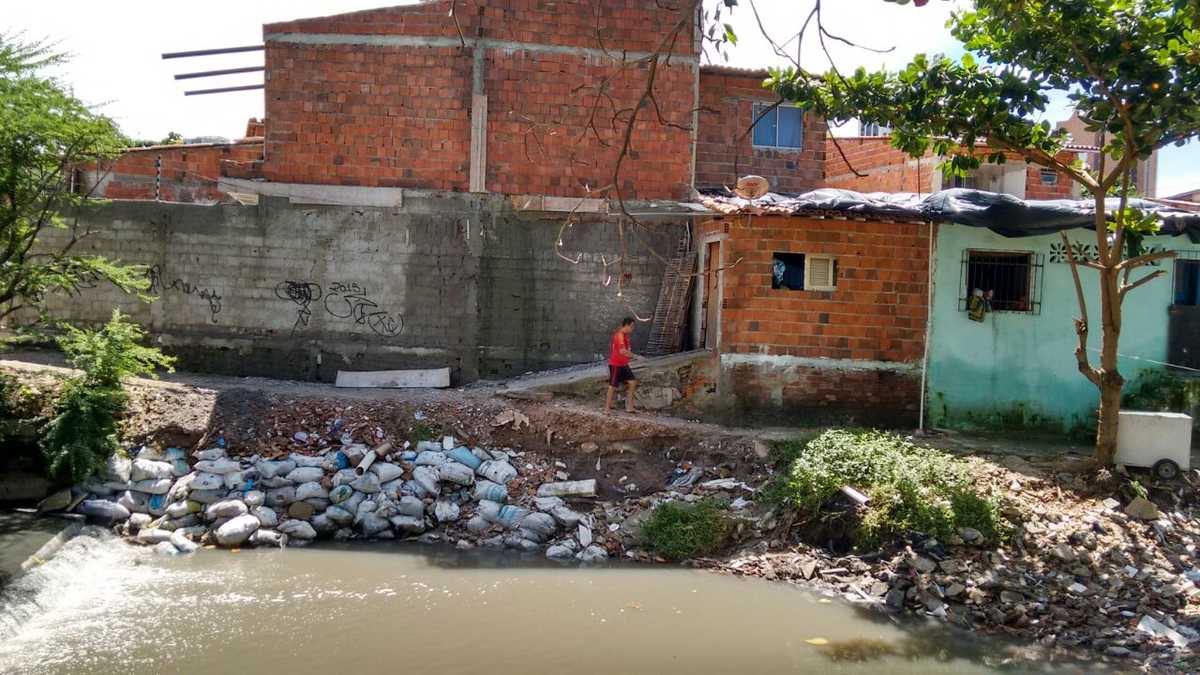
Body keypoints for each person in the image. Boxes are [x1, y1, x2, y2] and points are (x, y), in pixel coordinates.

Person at [605, 317, 639, 413]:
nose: (632, 329)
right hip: (615, 364)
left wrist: (630, 356)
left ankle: (629, 406)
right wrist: (636, 356)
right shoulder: (619, 335)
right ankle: (606, 408)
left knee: (632, 382)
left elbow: (626, 350)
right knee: (612, 385)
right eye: (632, 326)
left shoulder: (625, 336)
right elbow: (622, 351)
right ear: (627, 325)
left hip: (624, 364)